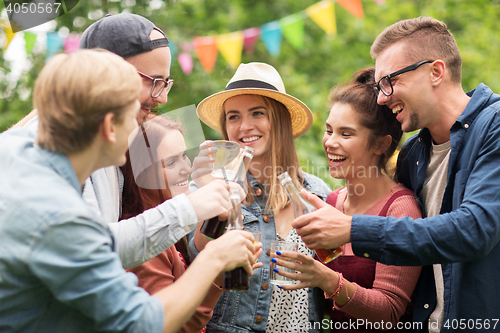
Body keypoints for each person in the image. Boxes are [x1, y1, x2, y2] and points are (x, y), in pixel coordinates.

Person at [0, 49, 257, 333]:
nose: (140, 128)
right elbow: (141, 323)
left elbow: (100, 242)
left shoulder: (12, 152)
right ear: (110, 127)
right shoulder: (60, 217)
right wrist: (215, 258)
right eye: (134, 118)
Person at [292, 16, 500, 332]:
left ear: (436, 71)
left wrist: (353, 229)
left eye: (390, 81)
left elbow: (474, 230)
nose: (381, 97)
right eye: (379, 86)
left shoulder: (494, 127)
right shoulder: (414, 154)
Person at [10, 13, 231, 270]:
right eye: (155, 82)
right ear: (108, 73)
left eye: (166, 84)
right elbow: (89, 250)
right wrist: (187, 211)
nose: (163, 100)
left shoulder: (105, 150)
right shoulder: (50, 150)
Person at [272, 68, 422, 332]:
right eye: (329, 130)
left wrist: (327, 280)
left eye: (346, 134)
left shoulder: (401, 209)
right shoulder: (332, 201)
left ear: (380, 144)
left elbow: (389, 312)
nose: (330, 142)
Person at [190, 62, 331, 333]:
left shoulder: (317, 193)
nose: (244, 126)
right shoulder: (211, 188)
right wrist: (215, 198)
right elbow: (198, 256)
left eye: (257, 113)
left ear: (279, 120)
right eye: (233, 117)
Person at [119, 115, 263, 333]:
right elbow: (173, 325)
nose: (187, 168)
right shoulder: (146, 242)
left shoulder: (165, 223)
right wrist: (217, 272)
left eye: (184, 155)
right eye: (171, 162)